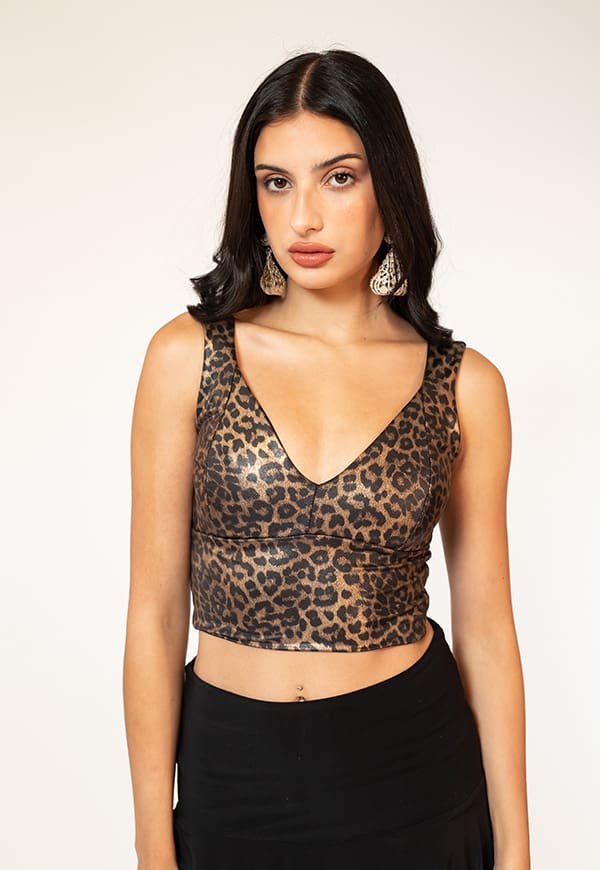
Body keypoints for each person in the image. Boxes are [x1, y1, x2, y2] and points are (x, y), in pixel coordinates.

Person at [123, 48, 530, 870]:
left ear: (390, 186)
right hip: (232, 772)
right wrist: (151, 841)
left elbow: (487, 629)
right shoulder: (187, 356)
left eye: (338, 178)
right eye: (276, 183)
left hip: (412, 769)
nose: (302, 217)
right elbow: (155, 613)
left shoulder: (464, 386)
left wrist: (517, 848)